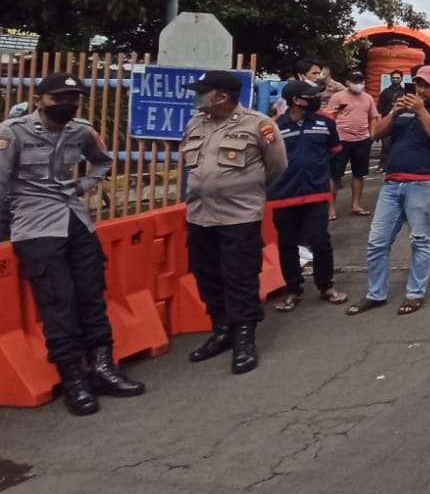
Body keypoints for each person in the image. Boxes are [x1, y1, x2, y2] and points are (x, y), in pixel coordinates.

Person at [0, 72, 145, 415]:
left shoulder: (80, 130)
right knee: (58, 303)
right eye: (59, 97)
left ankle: (103, 369)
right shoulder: (12, 133)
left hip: (76, 221)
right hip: (35, 227)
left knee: (92, 296)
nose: (67, 103)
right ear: (40, 99)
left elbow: (103, 161)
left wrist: (84, 186)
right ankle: (73, 380)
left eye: (73, 97)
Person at [181, 70, 287, 375]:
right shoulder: (195, 124)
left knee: (239, 277)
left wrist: (247, 191)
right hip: (200, 216)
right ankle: (222, 330)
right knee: (207, 276)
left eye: (203, 92)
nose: (197, 96)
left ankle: (244, 339)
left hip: (238, 216)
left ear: (222, 96)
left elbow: (277, 166)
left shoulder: (258, 125)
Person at [346, 65, 430, 317]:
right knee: (377, 241)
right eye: (418, 83)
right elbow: (376, 134)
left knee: (420, 239)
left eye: (427, 84)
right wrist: (395, 112)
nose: (421, 89)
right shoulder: (401, 108)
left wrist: (420, 111)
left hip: (424, 183)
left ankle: (415, 293)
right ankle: (376, 293)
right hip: (393, 183)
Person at [266, 81, 348, 312]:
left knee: (320, 241)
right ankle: (292, 290)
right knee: (287, 244)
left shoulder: (325, 124)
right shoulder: (273, 128)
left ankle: (326, 286)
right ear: (295, 100)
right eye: (309, 96)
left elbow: (334, 153)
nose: (316, 99)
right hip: (283, 195)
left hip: (316, 193)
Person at [327, 70, 380, 217]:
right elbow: (328, 117)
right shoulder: (337, 97)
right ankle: (330, 208)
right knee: (334, 175)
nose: (359, 84)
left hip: (362, 140)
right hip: (341, 139)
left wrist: (372, 135)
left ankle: (356, 205)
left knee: (359, 174)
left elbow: (373, 117)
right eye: (355, 81)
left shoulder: (368, 98)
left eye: (361, 81)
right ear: (347, 82)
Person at [376, 69, 406, 171]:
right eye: (393, 78)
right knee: (386, 144)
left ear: (401, 79)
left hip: (401, 121)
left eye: (397, 78)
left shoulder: (404, 92)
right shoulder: (385, 92)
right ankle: (383, 165)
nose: (395, 80)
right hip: (387, 120)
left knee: (399, 144)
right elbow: (379, 108)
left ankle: (397, 165)